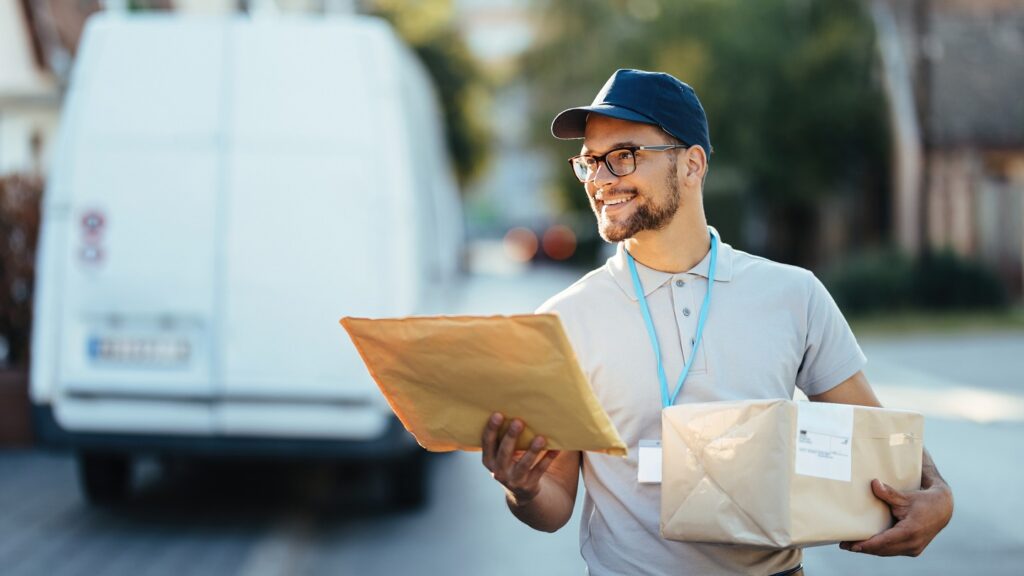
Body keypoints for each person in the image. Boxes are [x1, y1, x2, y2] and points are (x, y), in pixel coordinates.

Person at [479, 69, 953, 575]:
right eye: (590, 162)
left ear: (692, 164)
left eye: (623, 156)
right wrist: (522, 487)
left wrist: (937, 494)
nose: (601, 180)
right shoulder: (564, 319)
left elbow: (875, 435)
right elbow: (554, 503)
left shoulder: (793, 294)